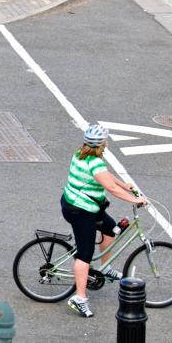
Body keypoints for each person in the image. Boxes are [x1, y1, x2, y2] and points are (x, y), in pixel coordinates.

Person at [60, 124, 147, 318]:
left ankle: (105, 268)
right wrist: (135, 199)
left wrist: (126, 185)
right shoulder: (94, 162)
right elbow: (110, 187)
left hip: (82, 204)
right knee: (85, 255)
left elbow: (105, 177)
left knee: (111, 230)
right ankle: (79, 298)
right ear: (103, 143)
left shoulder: (81, 154)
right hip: (80, 211)